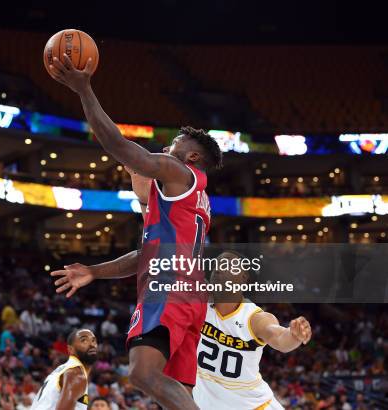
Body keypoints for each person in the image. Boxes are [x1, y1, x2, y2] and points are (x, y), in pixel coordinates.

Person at [48, 55, 222, 410]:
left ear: (190, 158)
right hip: (191, 295)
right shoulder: (192, 202)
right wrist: (95, 271)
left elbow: (117, 144)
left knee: (142, 374)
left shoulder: (177, 172)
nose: (165, 150)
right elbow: (145, 254)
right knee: (176, 392)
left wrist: (84, 89)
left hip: (169, 286)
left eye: (173, 145)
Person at [192, 251, 312, 410]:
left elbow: (279, 337)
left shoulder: (254, 318)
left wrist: (294, 336)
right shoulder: (198, 303)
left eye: (228, 265)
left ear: (243, 278)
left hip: (255, 406)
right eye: (217, 265)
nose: (218, 269)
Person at [31, 329, 97, 410]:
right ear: (70, 349)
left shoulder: (61, 371)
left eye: (93, 340)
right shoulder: (75, 373)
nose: (92, 344)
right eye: (84, 340)